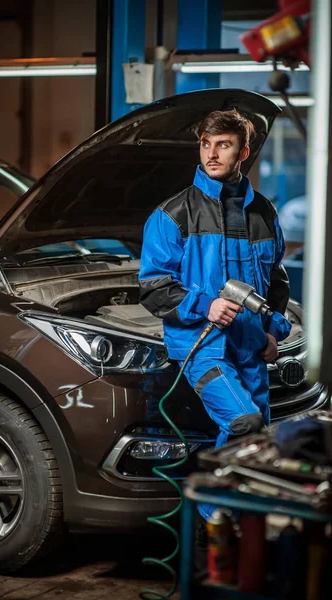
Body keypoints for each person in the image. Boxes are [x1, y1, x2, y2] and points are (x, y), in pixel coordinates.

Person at [138, 109, 292, 530]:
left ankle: (240, 531)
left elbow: (274, 281)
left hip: (250, 346)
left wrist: (271, 329)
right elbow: (153, 288)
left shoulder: (263, 212)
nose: (211, 153)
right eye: (206, 144)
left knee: (255, 445)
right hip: (202, 347)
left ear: (243, 151)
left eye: (222, 144)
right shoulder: (174, 214)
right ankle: (211, 523)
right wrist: (204, 305)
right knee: (244, 422)